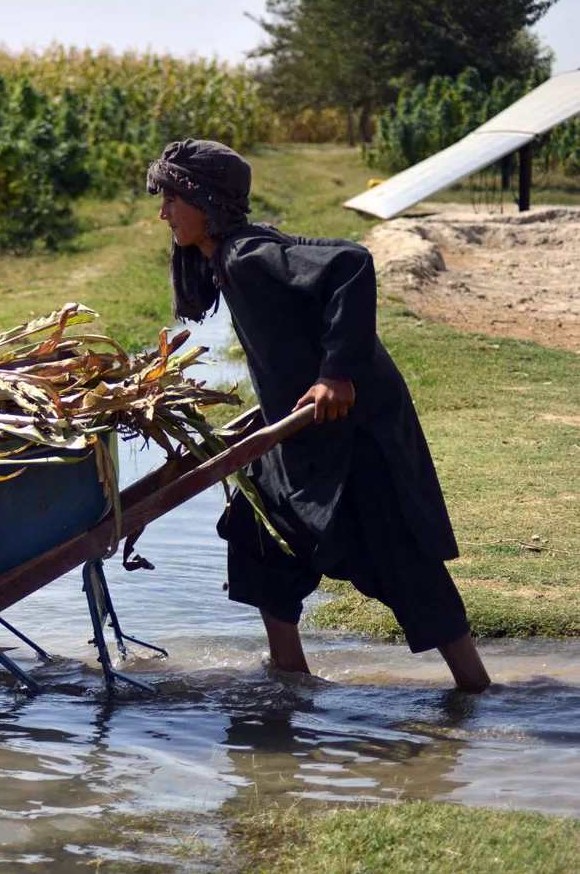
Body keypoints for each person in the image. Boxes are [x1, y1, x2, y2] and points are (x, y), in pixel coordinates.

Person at [146, 138, 490, 692]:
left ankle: (476, 688)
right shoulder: (227, 264)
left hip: (357, 433)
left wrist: (336, 374)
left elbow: (350, 262)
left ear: (205, 201)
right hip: (309, 436)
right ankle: (290, 680)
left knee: (402, 558)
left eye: (171, 201)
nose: (163, 214)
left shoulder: (245, 254)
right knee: (256, 532)